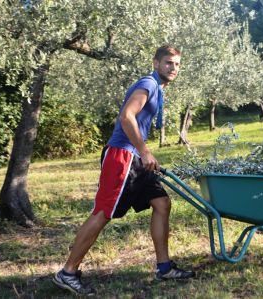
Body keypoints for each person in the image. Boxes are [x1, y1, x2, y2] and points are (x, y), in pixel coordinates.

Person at [53, 45, 195, 296]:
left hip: (134, 157)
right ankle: (68, 272)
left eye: (177, 64)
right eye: (168, 63)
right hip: (122, 157)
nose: (173, 68)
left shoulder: (157, 88)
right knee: (103, 213)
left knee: (162, 203)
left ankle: (164, 267)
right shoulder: (148, 84)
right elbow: (126, 116)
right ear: (156, 63)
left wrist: (142, 153)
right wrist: (144, 151)